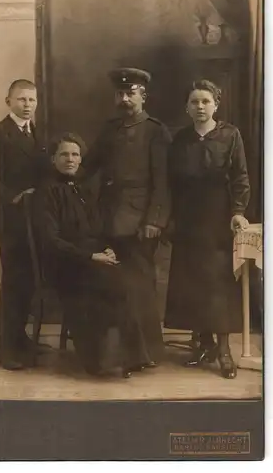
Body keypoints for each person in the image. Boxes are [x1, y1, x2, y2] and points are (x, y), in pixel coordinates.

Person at [33, 132, 151, 378]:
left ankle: (129, 357)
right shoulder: (46, 192)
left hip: (92, 259)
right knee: (105, 285)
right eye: (64, 154)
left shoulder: (83, 190)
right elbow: (50, 240)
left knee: (125, 282)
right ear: (53, 158)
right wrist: (90, 257)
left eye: (75, 154)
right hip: (64, 263)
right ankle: (102, 361)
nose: (70, 159)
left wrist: (105, 249)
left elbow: (96, 229)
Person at [81, 67, 172, 371]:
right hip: (109, 217)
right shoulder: (109, 130)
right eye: (120, 94)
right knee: (115, 285)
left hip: (141, 220)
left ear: (143, 96)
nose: (124, 99)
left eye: (130, 93)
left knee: (141, 285)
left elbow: (163, 182)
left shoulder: (156, 131)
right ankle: (118, 354)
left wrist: (155, 220)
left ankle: (148, 353)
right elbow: (87, 166)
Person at [164, 79, 251, 379]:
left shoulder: (230, 135)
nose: (200, 107)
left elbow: (240, 177)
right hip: (187, 218)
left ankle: (224, 349)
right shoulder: (180, 140)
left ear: (216, 104)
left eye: (205, 101)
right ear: (186, 108)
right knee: (192, 282)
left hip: (218, 218)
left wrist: (238, 211)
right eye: (194, 102)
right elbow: (170, 183)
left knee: (218, 285)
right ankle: (203, 343)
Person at [0, 79, 49, 370]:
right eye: (21, 100)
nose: (27, 105)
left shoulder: (38, 134)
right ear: (9, 102)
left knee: (29, 281)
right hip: (11, 218)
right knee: (14, 281)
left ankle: (21, 338)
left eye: (31, 100)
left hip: (35, 218)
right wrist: (13, 197)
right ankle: (7, 349)